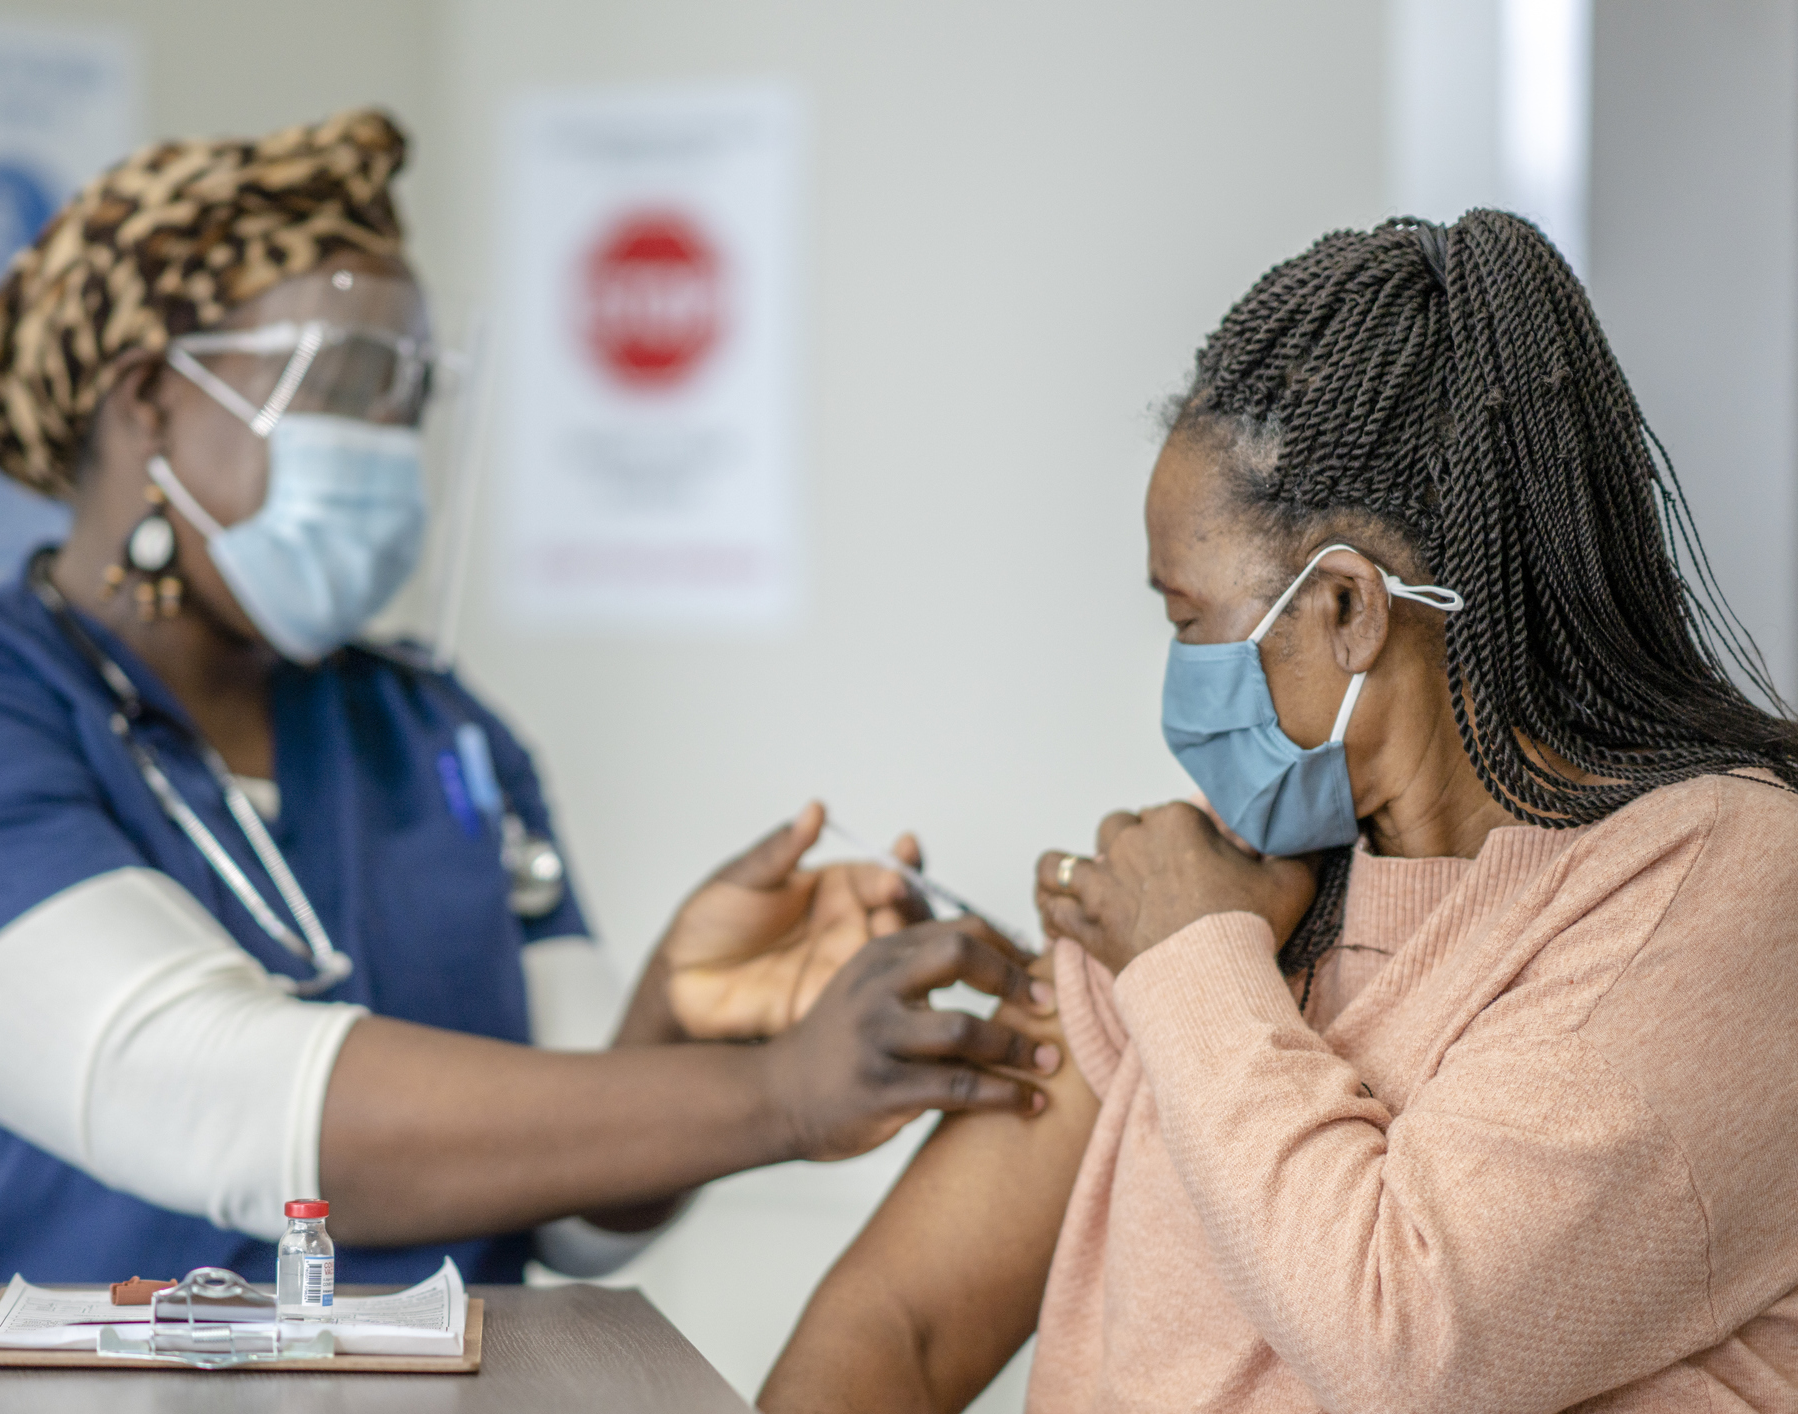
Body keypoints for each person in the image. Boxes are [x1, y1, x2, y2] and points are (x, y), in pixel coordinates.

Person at [0, 109, 1056, 1287]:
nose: (385, 439)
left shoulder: (435, 729)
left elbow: (573, 1213)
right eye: (341, 384)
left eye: (408, 393)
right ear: (149, 400)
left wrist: (680, 1017)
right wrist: (777, 1094)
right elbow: (222, 1105)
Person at [761, 211, 1798, 1413]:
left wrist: (1197, 958)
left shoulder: (1719, 886)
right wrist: (1188, 940)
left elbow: (1403, 1344)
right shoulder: (1224, 883)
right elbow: (900, 1323)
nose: (1179, 673)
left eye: (1188, 617)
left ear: (1350, 609)